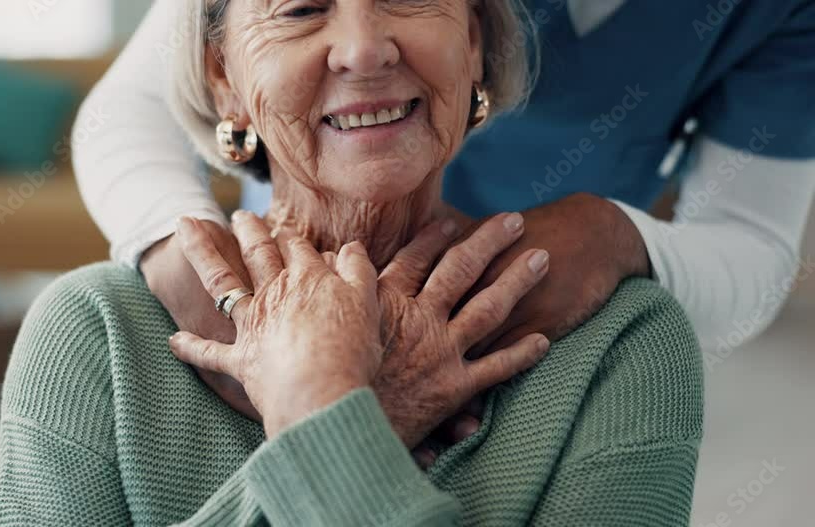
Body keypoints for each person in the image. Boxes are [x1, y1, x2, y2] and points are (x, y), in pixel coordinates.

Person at [0, 0, 703, 524]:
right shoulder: (91, 335)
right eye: (301, 8)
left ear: (476, 41)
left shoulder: (624, 342)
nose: (364, 49)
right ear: (223, 76)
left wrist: (316, 414)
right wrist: (343, 417)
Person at [73, 0, 815, 357]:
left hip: (550, 342)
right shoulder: (93, 332)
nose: (362, 50)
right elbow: (130, 109)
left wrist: (614, 236)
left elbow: (752, 239)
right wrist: (220, 291)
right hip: (289, 291)